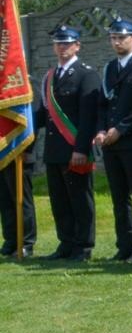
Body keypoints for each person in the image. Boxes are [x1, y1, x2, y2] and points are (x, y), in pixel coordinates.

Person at [94, 17, 132, 262]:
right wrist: (101, 130)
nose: (117, 42)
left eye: (121, 37)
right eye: (113, 38)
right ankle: (124, 246)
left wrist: (120, 129)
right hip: (111, 142)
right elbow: (103, 104)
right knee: (119, 197)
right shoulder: (110, 67)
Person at [35, 26, 98, 261]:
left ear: (77, 46)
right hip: (54, 150)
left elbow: (88, 117)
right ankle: (66, 242)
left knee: (80, 199)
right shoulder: (50, 76)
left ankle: (83, 245)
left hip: (75, 149)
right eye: (58, 43)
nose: (62, 47)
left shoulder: (86, 74)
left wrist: (81, 149)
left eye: (67, 43)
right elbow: (43, 115)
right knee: (59, 200)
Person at [1, 133, 37, 259]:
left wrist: (27, 149)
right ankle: (11, 241)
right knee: (5, 201)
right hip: (3, 153)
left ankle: (26, 243)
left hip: (20, 153)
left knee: (22, 201)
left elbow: (32, 124)